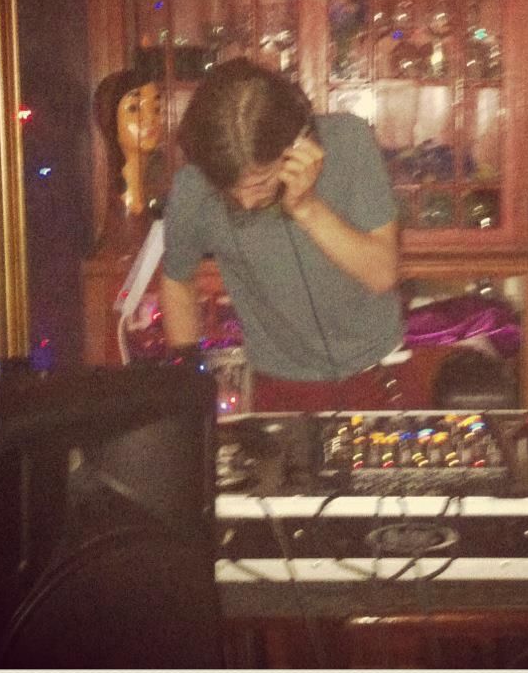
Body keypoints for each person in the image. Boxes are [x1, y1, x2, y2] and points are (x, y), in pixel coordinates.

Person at [160, 58, 407, 411]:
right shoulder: (192, 186)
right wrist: (187, 382)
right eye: (229, 189)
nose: (246, 202)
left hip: (378, 370)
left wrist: (306, 208)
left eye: (260, 183)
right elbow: (177, 281)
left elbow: (382, 273)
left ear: (297, 146)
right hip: (274, 379)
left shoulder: (350, 141)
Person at [93, 67, 166, 256]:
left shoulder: (151, 204)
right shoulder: (119, 222)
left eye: (156, 109)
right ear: (110, 118)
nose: (150, 119)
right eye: (134, 108)